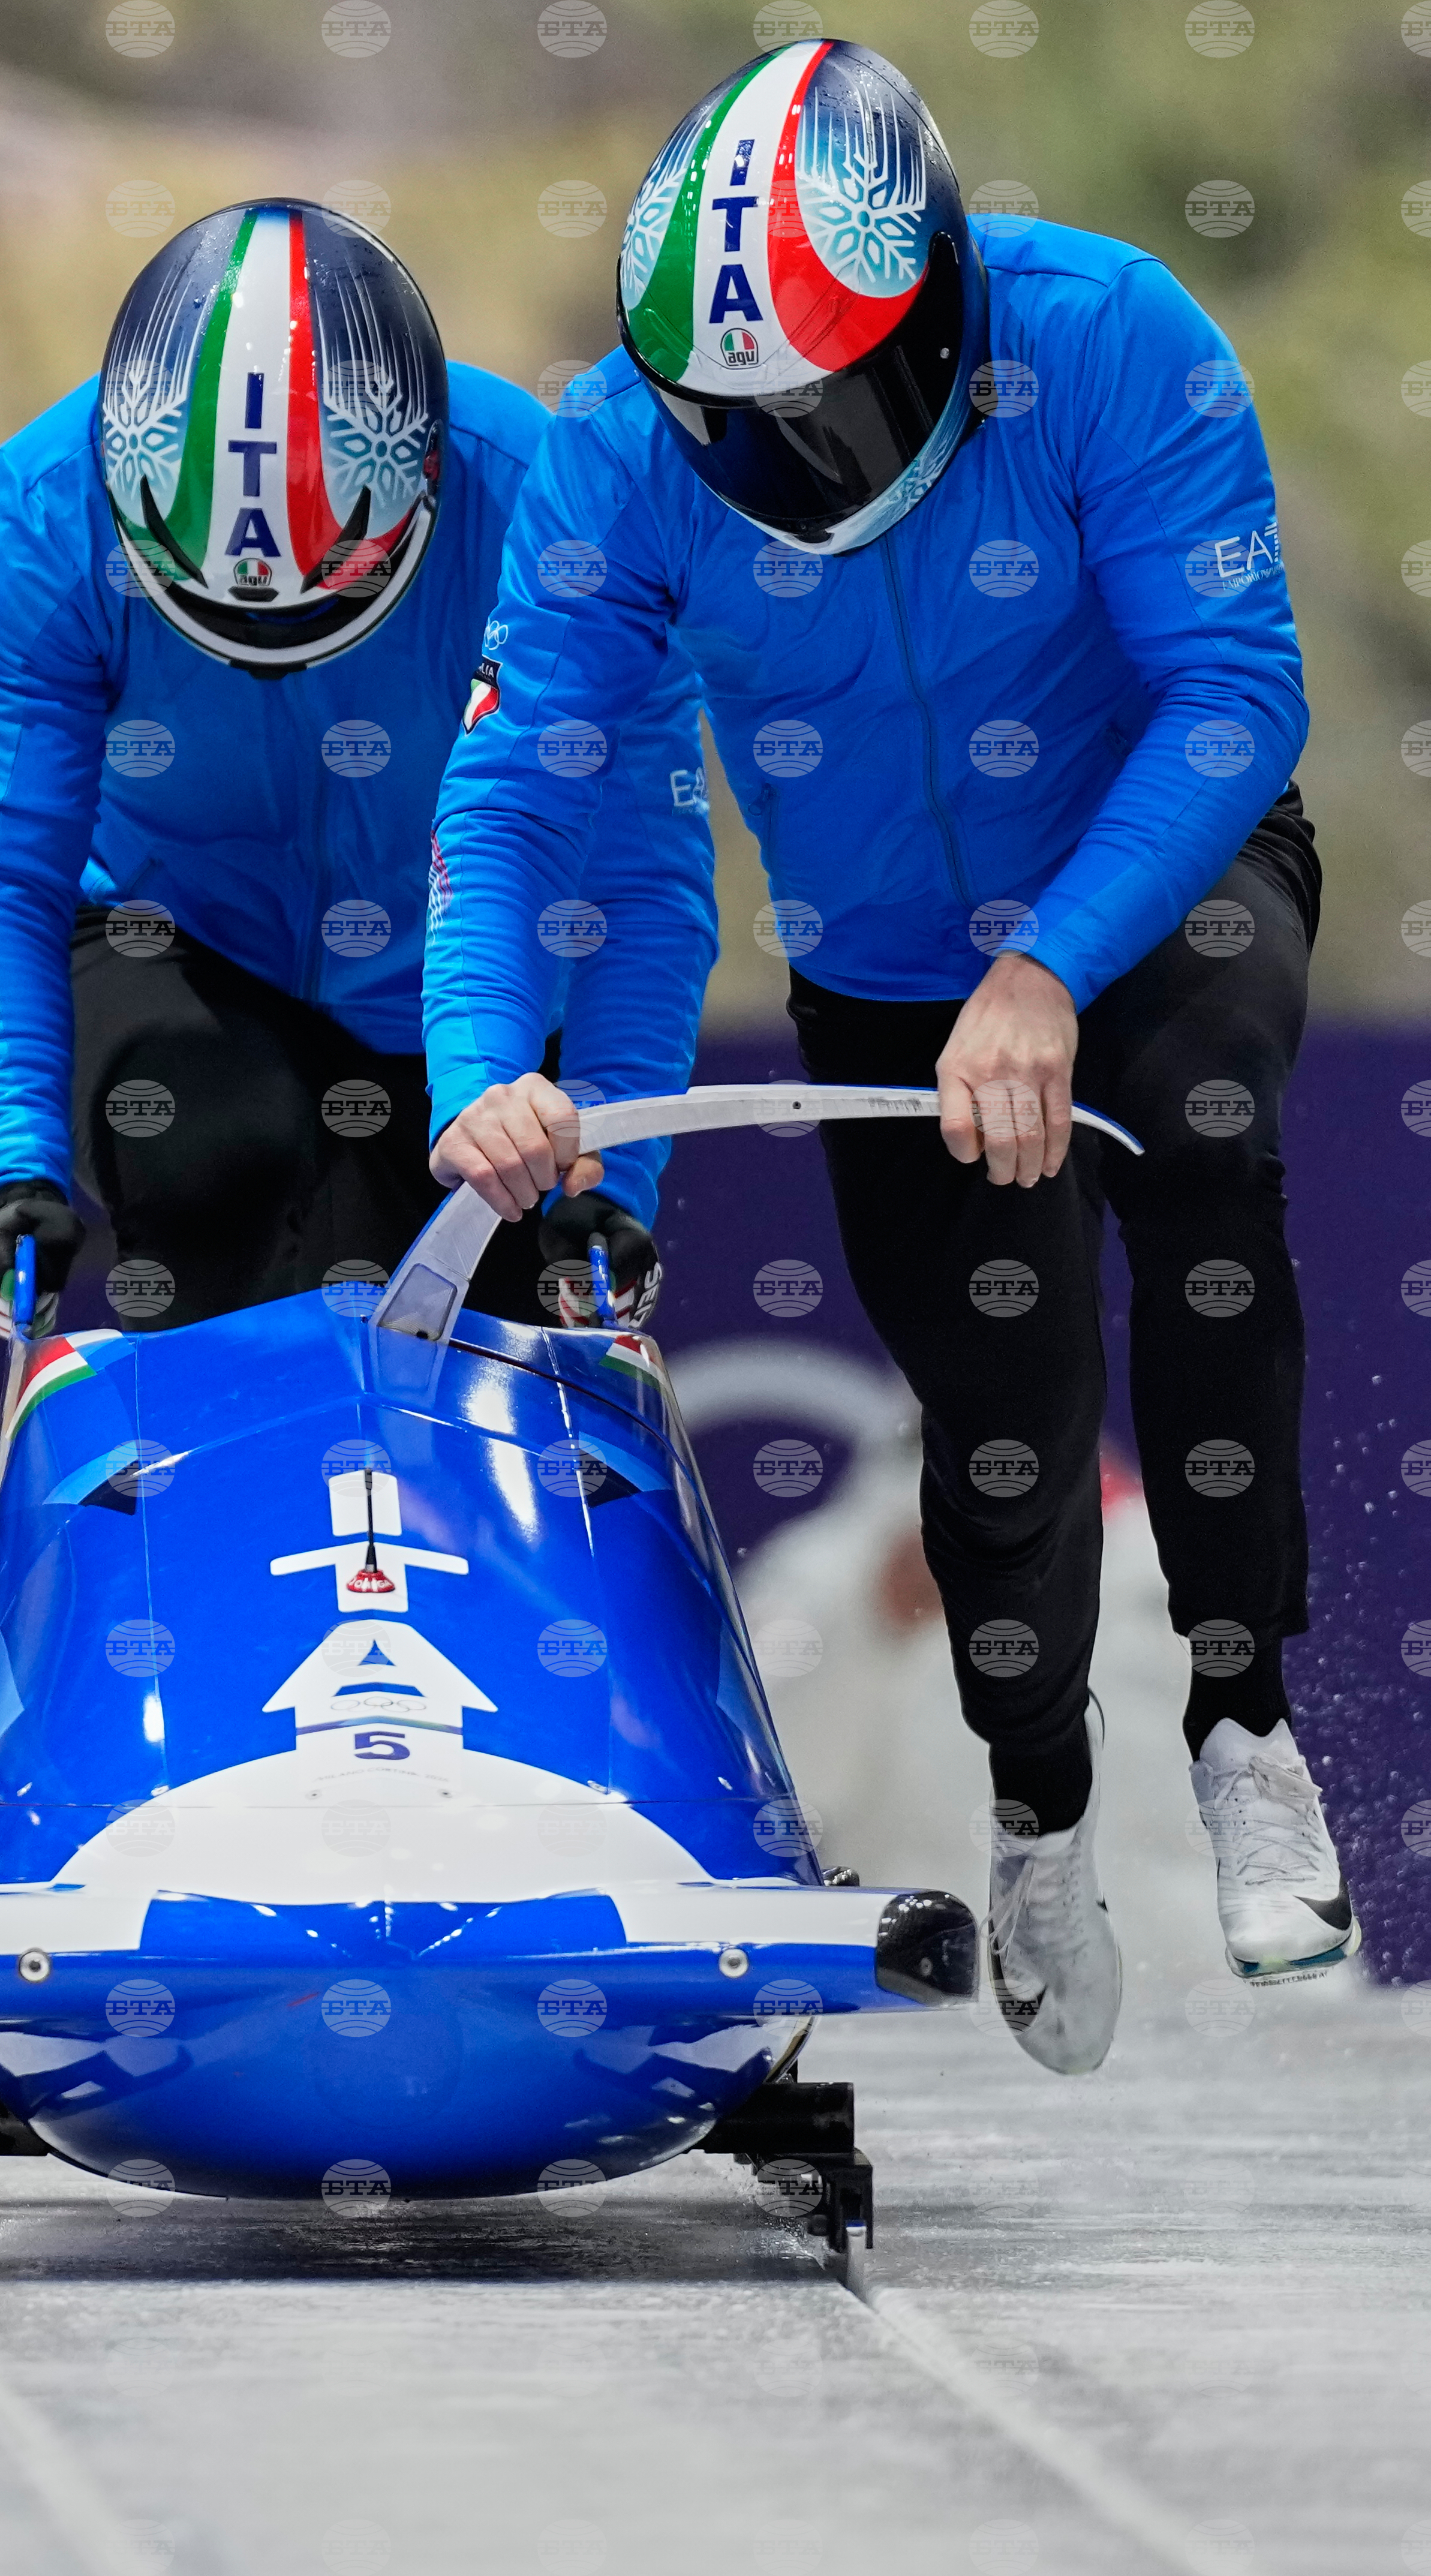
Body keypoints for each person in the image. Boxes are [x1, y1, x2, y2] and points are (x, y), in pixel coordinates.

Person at [423, 40, 1355, 2072]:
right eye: (741, 425)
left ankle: (1239, 1718)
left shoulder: (1112, 330)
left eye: (838, 403)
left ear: (935, 306)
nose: (802, 458)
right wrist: (483, 1066)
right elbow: (511, 799)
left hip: (1159, 866)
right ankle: (1038, 1804)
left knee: (1200, 1140)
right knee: (996, 1394)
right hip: (880, 965)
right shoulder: (610, 458)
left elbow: (1230, 691)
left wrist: (1047, 967)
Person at [0, 199, 713, 1350]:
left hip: (465, 971)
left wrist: (610, 1176)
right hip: (174, 937)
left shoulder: (559, 508)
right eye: (219, 622)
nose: (272, 661)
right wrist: (11, 1167)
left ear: (424, 490)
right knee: (225, 1143)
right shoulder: (34, 525)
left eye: (326, 613)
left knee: (471, 1265)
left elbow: (639, 878)